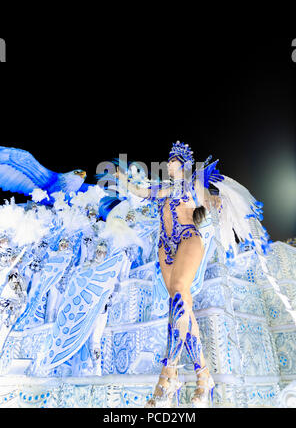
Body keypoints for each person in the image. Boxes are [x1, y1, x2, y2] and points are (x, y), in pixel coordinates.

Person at [115, 141, 222, 408]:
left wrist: (214, 201)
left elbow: (207, 199)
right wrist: (122, 180)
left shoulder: (190, 186)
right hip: (166, 248)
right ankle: (203, 376)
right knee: (180, 305)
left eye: (175, 162)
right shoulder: (162, 190)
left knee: (178, 296)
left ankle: (168, 373)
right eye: (169, 162)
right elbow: (140, 191)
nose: (171, 165)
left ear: (184, 166)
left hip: (188, 238)